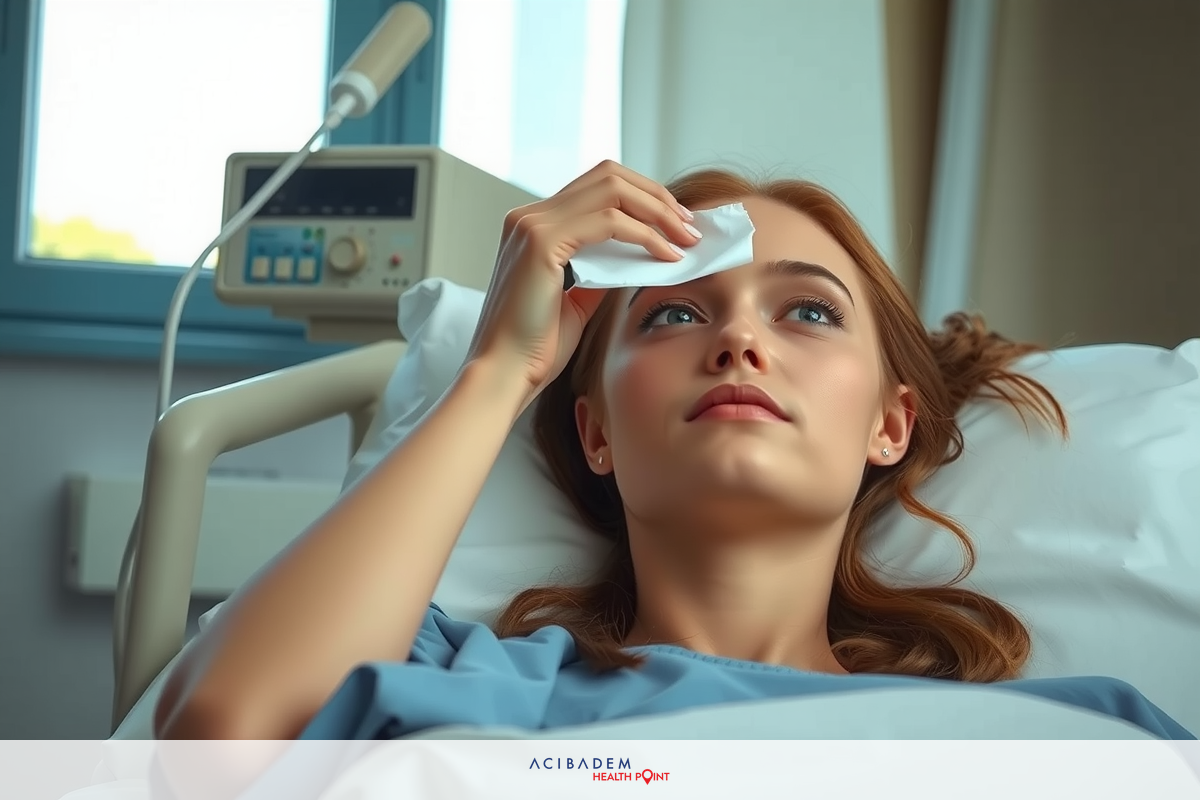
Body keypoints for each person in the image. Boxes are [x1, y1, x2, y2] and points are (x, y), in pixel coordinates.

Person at [153, 161, 1193, 742]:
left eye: (809, 312)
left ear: (891, 422)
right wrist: (493, 376)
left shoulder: (1076, 732)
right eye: (673, 315)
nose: (740, 339)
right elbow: (219, 730)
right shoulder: (441, 670)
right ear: (597, 430)